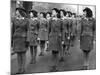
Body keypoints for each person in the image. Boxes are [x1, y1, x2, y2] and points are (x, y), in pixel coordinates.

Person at [12, 7, 28, 74]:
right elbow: (13, 30)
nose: (16, 12)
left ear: (21, 12)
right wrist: (12, 39)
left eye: (17, 11)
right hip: (16, 39)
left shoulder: (26, 20)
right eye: (16, 11)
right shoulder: (15, 20)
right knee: (18, 54)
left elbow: (28, 30)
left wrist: (27, 40)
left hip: (23, 39)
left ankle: (23, 69)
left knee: (23, 54)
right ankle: (19, 69)